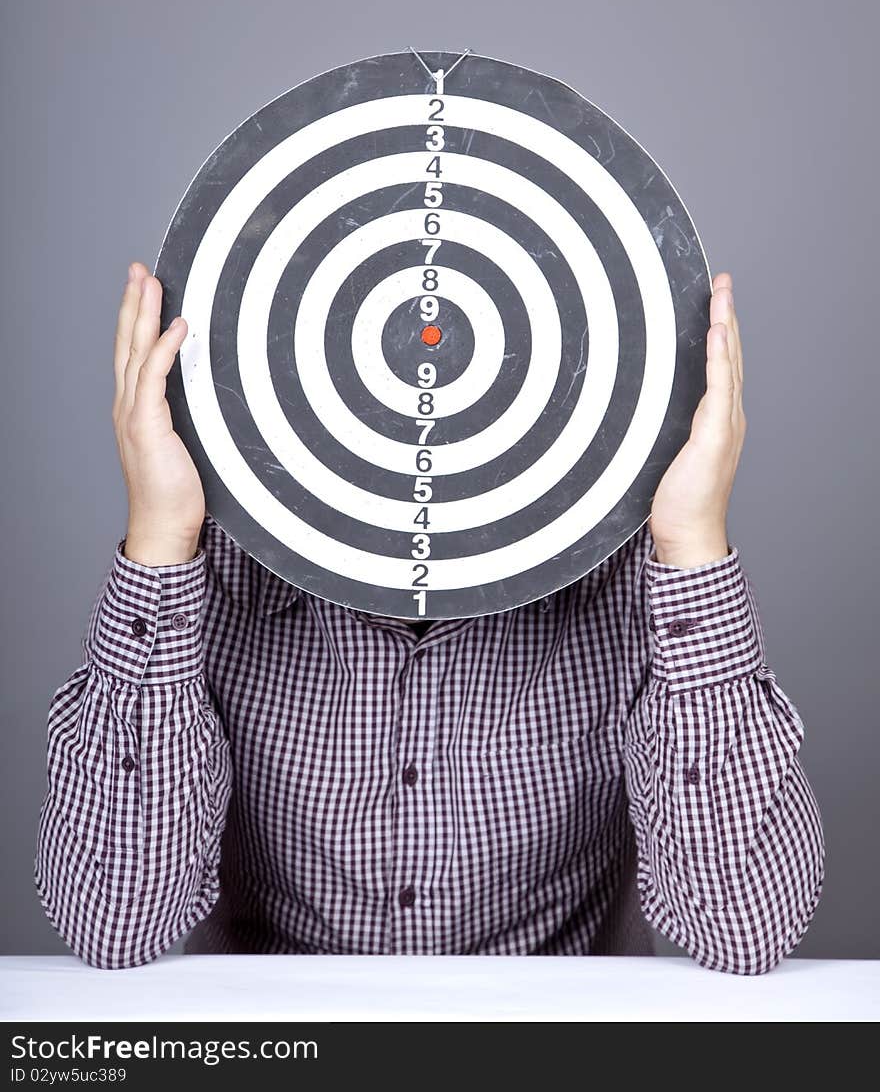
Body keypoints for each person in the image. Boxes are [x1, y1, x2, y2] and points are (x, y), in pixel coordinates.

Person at [34, 262, 824, 972]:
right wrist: (161, 543)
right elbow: (117, 924)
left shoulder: (620, 568)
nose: (426, 374)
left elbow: (742, 929)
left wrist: (691, 546)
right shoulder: (221, 561)